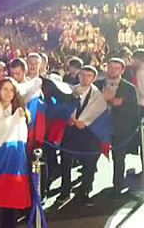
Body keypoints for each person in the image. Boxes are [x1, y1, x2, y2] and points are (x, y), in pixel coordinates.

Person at [57, 66, 107, 206]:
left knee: (89, 164)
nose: (85, 78)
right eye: (82, 75)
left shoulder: (98, 95)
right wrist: (68, 117)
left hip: (89, 134)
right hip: (70, 131)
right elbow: (61, 107)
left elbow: (99, 113)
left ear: (94, 78)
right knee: (66, 162)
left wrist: (85, 122)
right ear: (78, 76)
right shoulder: (70, 91)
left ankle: (84, 192)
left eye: (89, 75)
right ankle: (65, 190)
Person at [94, 58, 139, 198]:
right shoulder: (97, 84)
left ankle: (117, 187)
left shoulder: (129, 88)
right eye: (110, 67)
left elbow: (132, 110)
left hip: (119, 129)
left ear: (122, 70)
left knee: (118, 159)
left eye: (116, 68)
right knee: (91, 158)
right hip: (98, 127)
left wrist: (114, 102)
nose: (112, 70)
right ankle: (85, 187)